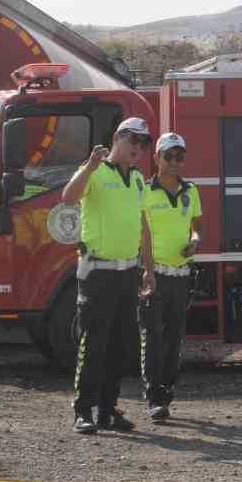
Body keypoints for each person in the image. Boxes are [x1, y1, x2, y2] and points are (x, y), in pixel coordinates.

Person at [61, 116, 155, 435]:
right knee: (94, 342)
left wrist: (149, 269)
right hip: (97, 272)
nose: (138, 148)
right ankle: (83, 410)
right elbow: (68, 198)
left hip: (128, 272)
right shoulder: (96, 171)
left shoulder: (140, 179)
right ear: (117, 137)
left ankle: (107, 410)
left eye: (144, 143)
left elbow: (143, 226)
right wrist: (88, 167)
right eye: (133, 140)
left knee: (120, 344)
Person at [139, 132, 203, 421]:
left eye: (180, 157)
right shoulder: (144, 191)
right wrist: (147, 272)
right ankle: (154, 397)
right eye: (169, 156)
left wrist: (195, 240)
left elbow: (195, 226)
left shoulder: (191, 191)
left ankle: (166, 392)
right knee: (153, 335)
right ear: (156, 158)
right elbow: (142, 234)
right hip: (154, 275)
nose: (175, 162)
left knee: (174, 337)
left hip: (181, 275)